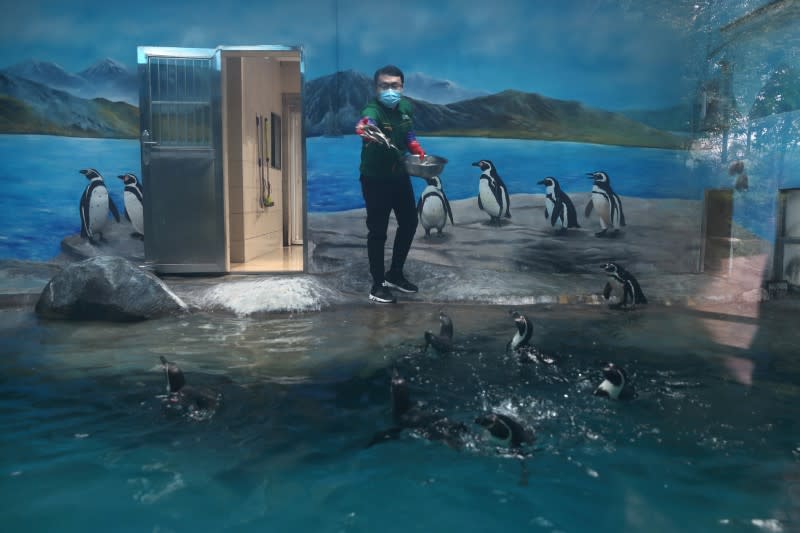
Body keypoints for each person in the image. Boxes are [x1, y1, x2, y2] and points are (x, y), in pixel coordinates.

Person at [355, 65, 426, 304]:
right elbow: (366, 122)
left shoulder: (405, 107)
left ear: (402, 87)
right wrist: (364, 128)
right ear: (376, 88)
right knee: (378, 231)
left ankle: (395, 274)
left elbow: (408, 131)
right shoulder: (372, 109)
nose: (390, 90)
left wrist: (414, 145)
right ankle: (377, 285)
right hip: (374, 179)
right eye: (384, 86)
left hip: (399, 174)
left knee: (409, 222)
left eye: (394, 85)